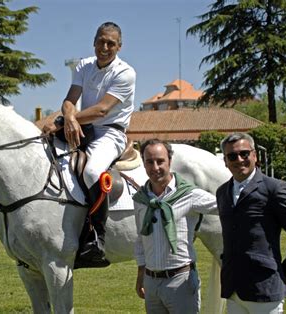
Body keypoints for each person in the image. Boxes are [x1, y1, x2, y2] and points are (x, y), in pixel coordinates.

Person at [43, 22, 136, 267]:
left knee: (93, 171)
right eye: (101, 41)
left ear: (119, 46)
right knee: (46, 148)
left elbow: (102, 110)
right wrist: (66, 118)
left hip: (111, 132)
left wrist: (65, 121)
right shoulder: (83, 65)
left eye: (111, 44)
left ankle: (96, 238)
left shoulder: (125, 72)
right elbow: (69, 100)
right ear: (94, 41)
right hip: (81, 125)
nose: (105, 47)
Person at [216, 132, 286, 314]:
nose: (239, 159)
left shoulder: (274, 189)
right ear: (225, 161)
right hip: (233, 290)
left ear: (255, 155)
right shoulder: (222, 193)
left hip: (265, 287)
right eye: (232, 156)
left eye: (244, 153)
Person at [133, 139, 218, 314]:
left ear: (170, 161)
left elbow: (226, 206)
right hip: (151, 282)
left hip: (181, 282)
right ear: (143, 163)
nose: (155, 167)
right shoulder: (141, 199)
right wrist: (141, 273)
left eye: (160, 161)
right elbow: (141, 239)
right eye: (149, 162)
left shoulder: (189, 195)